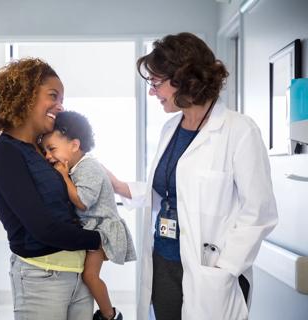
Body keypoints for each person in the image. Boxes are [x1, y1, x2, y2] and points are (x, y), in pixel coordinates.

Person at [106, 32, 278, 320]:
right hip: (163, 263)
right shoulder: (170, 129)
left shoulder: (239, 131)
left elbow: (259, 212)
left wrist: (225, 269)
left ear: (185, 79)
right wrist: (119, 186)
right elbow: (173, 192)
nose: (152, 92)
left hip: (209, 270)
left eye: (156, 83)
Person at [0, 58, 103, 320]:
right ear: (24, 95)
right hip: (41, 277)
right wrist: (100, 240)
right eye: (53, 96)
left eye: (62, 99)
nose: (60, 106)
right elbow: (43, 228)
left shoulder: (44, 151)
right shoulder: (4, 152)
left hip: (78, 273)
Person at [40, 111, 136, 320]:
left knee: (90, 276)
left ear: (74, 145)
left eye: (52, 149)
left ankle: (109, 316)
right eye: (45, 150)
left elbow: (83, 202)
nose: (47, 155)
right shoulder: (78, 167)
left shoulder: (88, 166)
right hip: (94, 227)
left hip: (104, 229)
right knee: (87, 275)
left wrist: (64, 177)